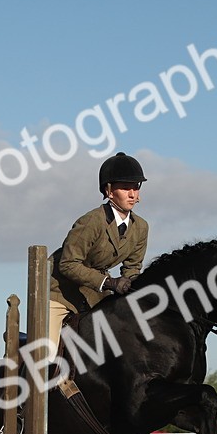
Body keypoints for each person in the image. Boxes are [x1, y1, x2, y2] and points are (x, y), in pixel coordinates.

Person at [47, 151, 149, 355]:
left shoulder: (141, 227)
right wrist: (111, 283)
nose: (132, 194)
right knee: (46, 353)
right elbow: (68, 264)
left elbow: (132, 269)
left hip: (94, 292)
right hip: (59, 290)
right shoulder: (91, 221)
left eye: (136, 188)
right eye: (125, 188)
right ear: (109, 191)